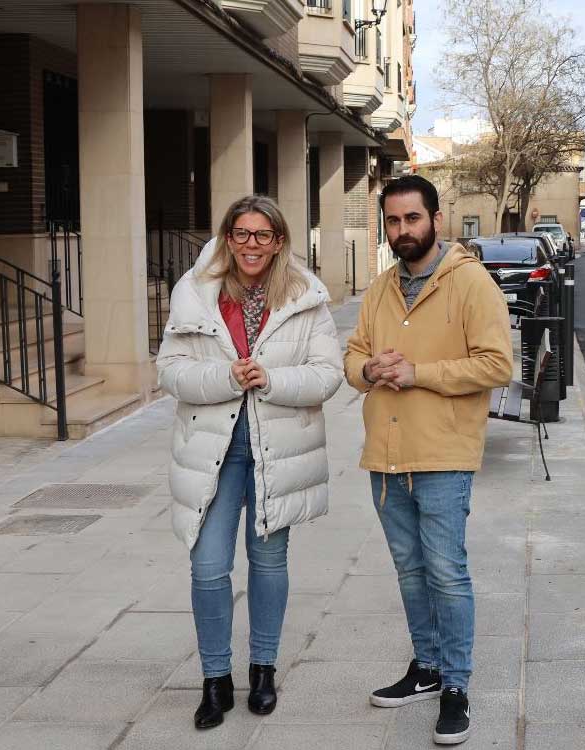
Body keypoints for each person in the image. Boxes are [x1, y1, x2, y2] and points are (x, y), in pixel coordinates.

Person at [156, 195, 344, 730]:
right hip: (212, 453)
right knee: (208, 567)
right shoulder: (195, 294)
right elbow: (169, 369)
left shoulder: (306, 298)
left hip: (276, 451)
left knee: (268, 564)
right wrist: (225, 378)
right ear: (227, 237)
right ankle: (215, 679)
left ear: (279, 241)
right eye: (241, 234)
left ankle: (262, 670)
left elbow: (327, 374)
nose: (251, 245)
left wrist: (272, 379)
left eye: (263, 235)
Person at [344, 175, 513, 745]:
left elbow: (496, 365)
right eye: (392, 221)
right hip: (386, 456)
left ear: (436, 219)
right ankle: (426, 667)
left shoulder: (471, 284)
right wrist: (369, 370)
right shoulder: (380, 288)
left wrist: (420, 374)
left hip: (443, 453)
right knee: (410, 571)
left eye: (411, 219)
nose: (401, 231)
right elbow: (353, 357)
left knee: (446, 571)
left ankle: (456, 686)